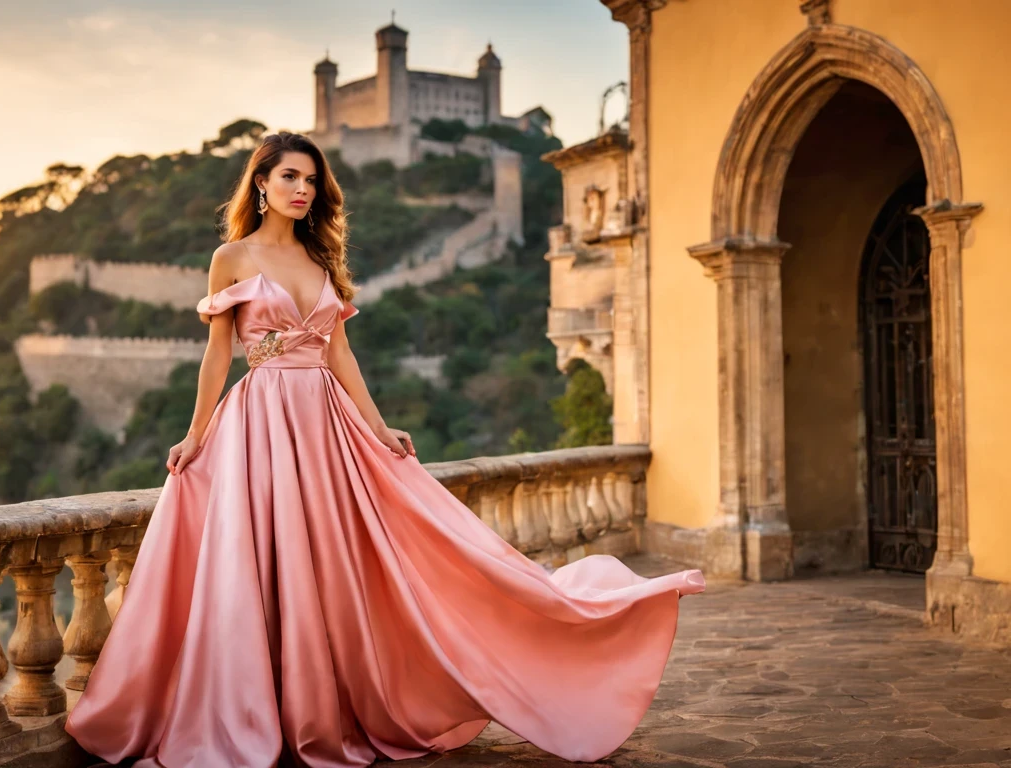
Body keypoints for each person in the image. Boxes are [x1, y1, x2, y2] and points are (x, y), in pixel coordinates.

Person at [64, 131, 705, 768]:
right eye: (289, 177)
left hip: (327, 424)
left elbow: (340, 354)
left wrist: (378, 427)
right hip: (260, 424)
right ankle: (260, 709)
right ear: (260, 183)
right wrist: (196, 434)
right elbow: (218, 355)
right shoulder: (231, 258)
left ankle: (339, 701)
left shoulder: (320, 263)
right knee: (261, 563)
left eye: (311, 181)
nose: (302, 190)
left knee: (363, 557)